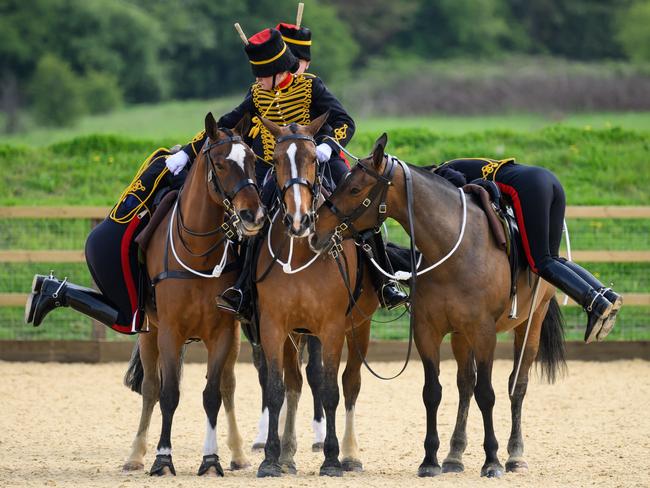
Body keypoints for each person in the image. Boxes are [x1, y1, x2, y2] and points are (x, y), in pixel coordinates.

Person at [166, 26, 407, 315]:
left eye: (261, 74)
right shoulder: (257, 94)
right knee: (255, 220)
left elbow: (345, 120)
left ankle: (384, 281)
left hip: (318, 160)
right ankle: (243, 289)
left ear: (278, 71)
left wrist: (328, 145)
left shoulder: (310, 86)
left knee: (358, 206)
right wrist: (187, 152)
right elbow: (224, 126)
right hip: (274, 167)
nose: (257, 80)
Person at [438, 158, 622, 343]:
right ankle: (606, 295)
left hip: (527, 188)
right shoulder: (459, 162)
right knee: (553, 259)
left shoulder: (441, 172)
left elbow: (459, 196)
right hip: (546, 179)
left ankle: (595, 304)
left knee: (540, 262)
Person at [24, 146, 195, 333]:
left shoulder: (159, 161)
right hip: (115, 247)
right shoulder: (174, 168)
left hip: (105, 239)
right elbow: (190, 198)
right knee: (127, 322)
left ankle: (52, 287)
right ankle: (60, 293)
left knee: (125, 314)